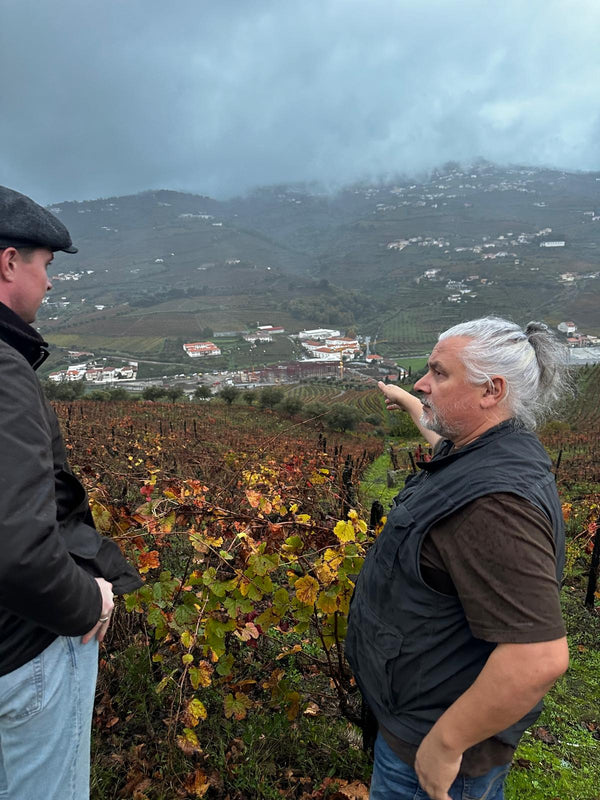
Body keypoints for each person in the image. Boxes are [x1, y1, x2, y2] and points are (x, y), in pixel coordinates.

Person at [345, 317, 570, 800]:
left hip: (434, 749)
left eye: (439, 374)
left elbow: (539, 658)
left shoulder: (495, 506)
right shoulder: (488, 449)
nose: (422, 383)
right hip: (415, 716)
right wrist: (411, 405)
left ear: (491, 390)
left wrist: (445, 746)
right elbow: (445, 453)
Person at [0, 186, 142, 799]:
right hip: (20, 649)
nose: (50, 285)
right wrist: (88, 602)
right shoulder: (4, 373)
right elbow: (19, 548)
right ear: (9, 264)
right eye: (45, 265)